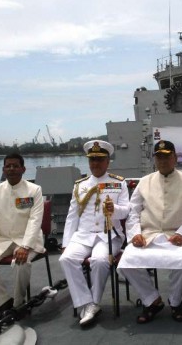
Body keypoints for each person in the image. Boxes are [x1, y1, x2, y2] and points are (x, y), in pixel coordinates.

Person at [117, 140, 182, 324]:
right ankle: (152, 299)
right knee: (126, 261)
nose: (163, 161)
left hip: (177, 235)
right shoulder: (144, 182)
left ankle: (175, 300)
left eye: (167, 156)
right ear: (154, 159)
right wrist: (134, 235)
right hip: (149, 235)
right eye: (159, 157)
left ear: (175, 158)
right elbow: (134, 211)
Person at [59, 140, 129, 326]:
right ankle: (86, 302)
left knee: (99, 260)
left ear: (107, 161)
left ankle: (94, 301)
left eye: (99, 159)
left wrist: (114, 209)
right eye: (92, 160)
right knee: (66, 259)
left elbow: (127, 211)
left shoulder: (118, 183)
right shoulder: (80, 185)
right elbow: (72, 215)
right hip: (83, 235)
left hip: (109, 235)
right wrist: (66, 243)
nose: (95, 164)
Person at [0, 153, 45, 314]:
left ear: (23, 169)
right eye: (8, 166)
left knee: (22, 262)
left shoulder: (34, 190)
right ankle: (4, 302)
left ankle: (19, 304)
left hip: (28, 239)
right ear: (3, 169)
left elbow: (35, 220)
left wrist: (25, 246)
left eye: (15, 166)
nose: (11, 169)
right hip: (3, 240)